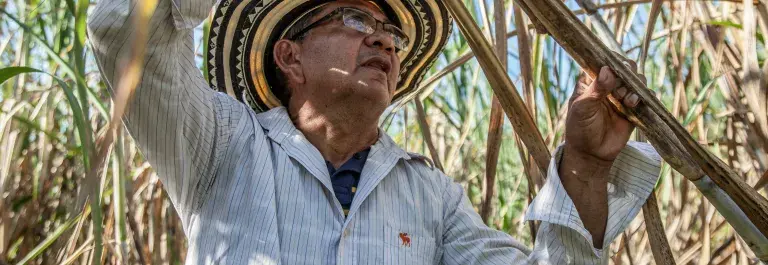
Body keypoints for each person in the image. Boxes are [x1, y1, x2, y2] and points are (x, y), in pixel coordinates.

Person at [87, 0, 661, 264]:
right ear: (290, 56)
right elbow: (120, 26)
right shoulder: (220, 143)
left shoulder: (431, 197)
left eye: (390, 32)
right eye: (357, 20)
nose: (384, 41)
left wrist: (585, 165)